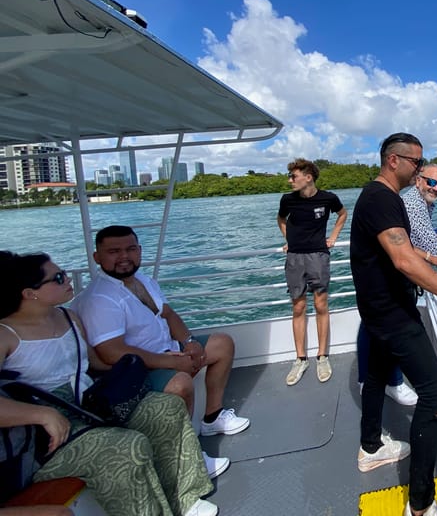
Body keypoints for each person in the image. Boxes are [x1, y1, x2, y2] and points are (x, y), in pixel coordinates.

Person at [0, 250, 217, 516]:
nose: (68, 279)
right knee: (126, 447)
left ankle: (184, 497)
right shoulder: (5, 336)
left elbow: (97, 364)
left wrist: (154, 361)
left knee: (166, 408)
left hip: (91, 406)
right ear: (29, 293)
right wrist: (42, 414)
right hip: (46, 439)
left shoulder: (69, 318)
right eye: (58, 278)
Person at [349, 133, 437, 516]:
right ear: (394, 161)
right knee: (435, 393)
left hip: (378, 311)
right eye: (417, 163)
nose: (420, 170)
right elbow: (401, 259)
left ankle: (371, 448)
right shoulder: (381, 199)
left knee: (378, 376)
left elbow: (401, 247)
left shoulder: (381, 198)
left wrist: (430, 255)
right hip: (393, 314)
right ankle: (421, 504)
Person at [72, 225, 249, 478]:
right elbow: (112, 353)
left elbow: (167, 314)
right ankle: (188, 457)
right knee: (180, 384)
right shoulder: (100, 299)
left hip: (167, 349)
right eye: (114, 251)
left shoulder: (143, 280)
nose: (124, 256)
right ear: (97, 257)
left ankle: (212, 417)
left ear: (140, 251)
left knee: (222, 344)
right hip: (134, 368)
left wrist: (189, 342)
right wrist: (171, 362)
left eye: (131, 249)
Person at [355, 163, 437, 407]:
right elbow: (415, 244)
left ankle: (372, 381)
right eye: (431, 182)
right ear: (418, 180)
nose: (436, 188)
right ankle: (390, 382)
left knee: (373, 330)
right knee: (391, 334)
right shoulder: (412, 203)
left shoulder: (419, 201)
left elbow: (418, 234)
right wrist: (434, 256)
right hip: (394, 278)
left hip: (386, 279)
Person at [277, 158, 347, 386]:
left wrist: (334, 237)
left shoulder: (328, 198)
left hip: (318, 255)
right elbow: (280, 219)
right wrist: (288, 239)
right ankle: (300, 359)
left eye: (293, 176)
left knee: (320, 304)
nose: (289, 181)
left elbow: (342, 214)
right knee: (298, 306)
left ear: (308, 177)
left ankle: (322, 356)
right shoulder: (288, 200)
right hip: (295, 257)